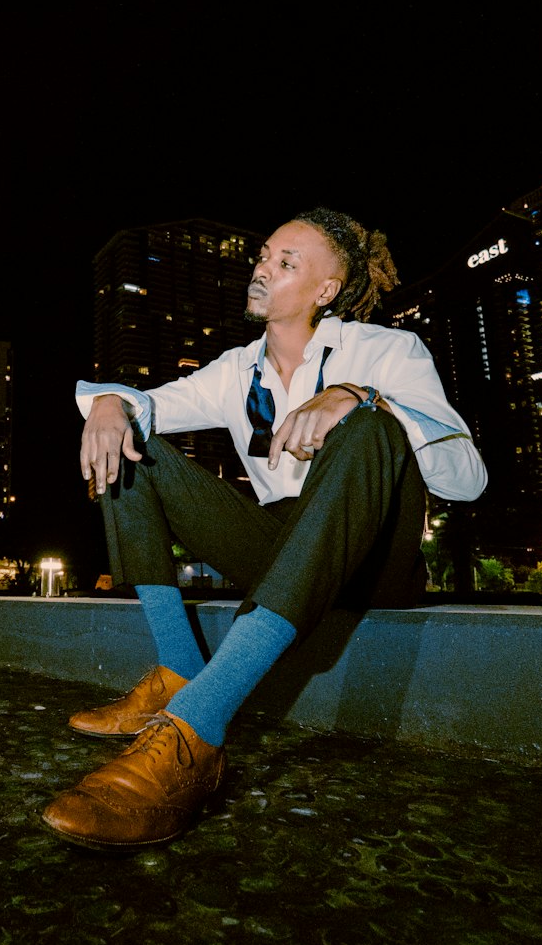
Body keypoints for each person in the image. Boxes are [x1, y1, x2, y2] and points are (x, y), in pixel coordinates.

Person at [41, 207, 487, 851]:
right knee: (130, 440)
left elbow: (467, 476)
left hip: (371, 560)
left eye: (286, 263)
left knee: (370, 425)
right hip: (281, 547)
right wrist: (109, 404)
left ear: (325, 290)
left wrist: (363, 398)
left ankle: (197, 729)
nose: (262, 268)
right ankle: (176, 670)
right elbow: (150, 404)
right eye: (264, 256)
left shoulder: (387, 351)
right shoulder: (235, 369)